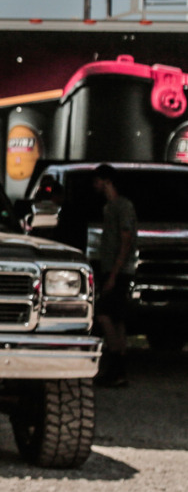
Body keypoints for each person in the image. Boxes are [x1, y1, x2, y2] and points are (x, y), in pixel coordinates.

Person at [91, 164, 137, 386]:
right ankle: (119, 371)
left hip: (118, 270)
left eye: (97, 181)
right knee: (117, 319)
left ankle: (116, 366)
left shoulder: (122, 206)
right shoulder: (109, 207)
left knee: (104, 315)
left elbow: (126, 239)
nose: (95, 186)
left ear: (107, 181)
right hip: (112, 268)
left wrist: (114, 274)